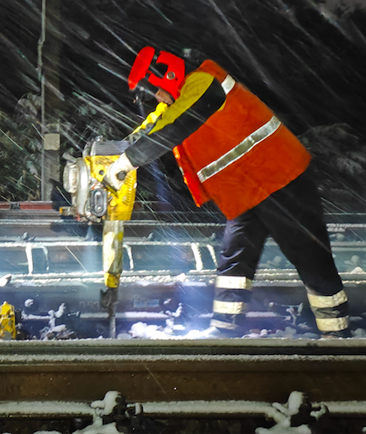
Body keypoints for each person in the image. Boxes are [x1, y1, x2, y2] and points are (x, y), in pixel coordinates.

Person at [105, 46, 349, 337]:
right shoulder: (183, 98)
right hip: (246, 190)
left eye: (156, 92)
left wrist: (127, 163)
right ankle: (225, 331)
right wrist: (118, 153)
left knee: (308, 256)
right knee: (235, 261)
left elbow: (176, 126)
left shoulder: (205, 83)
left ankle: (337, 336)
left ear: (167, 77)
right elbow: (157, 125)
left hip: (279, 178)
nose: (158, 99)